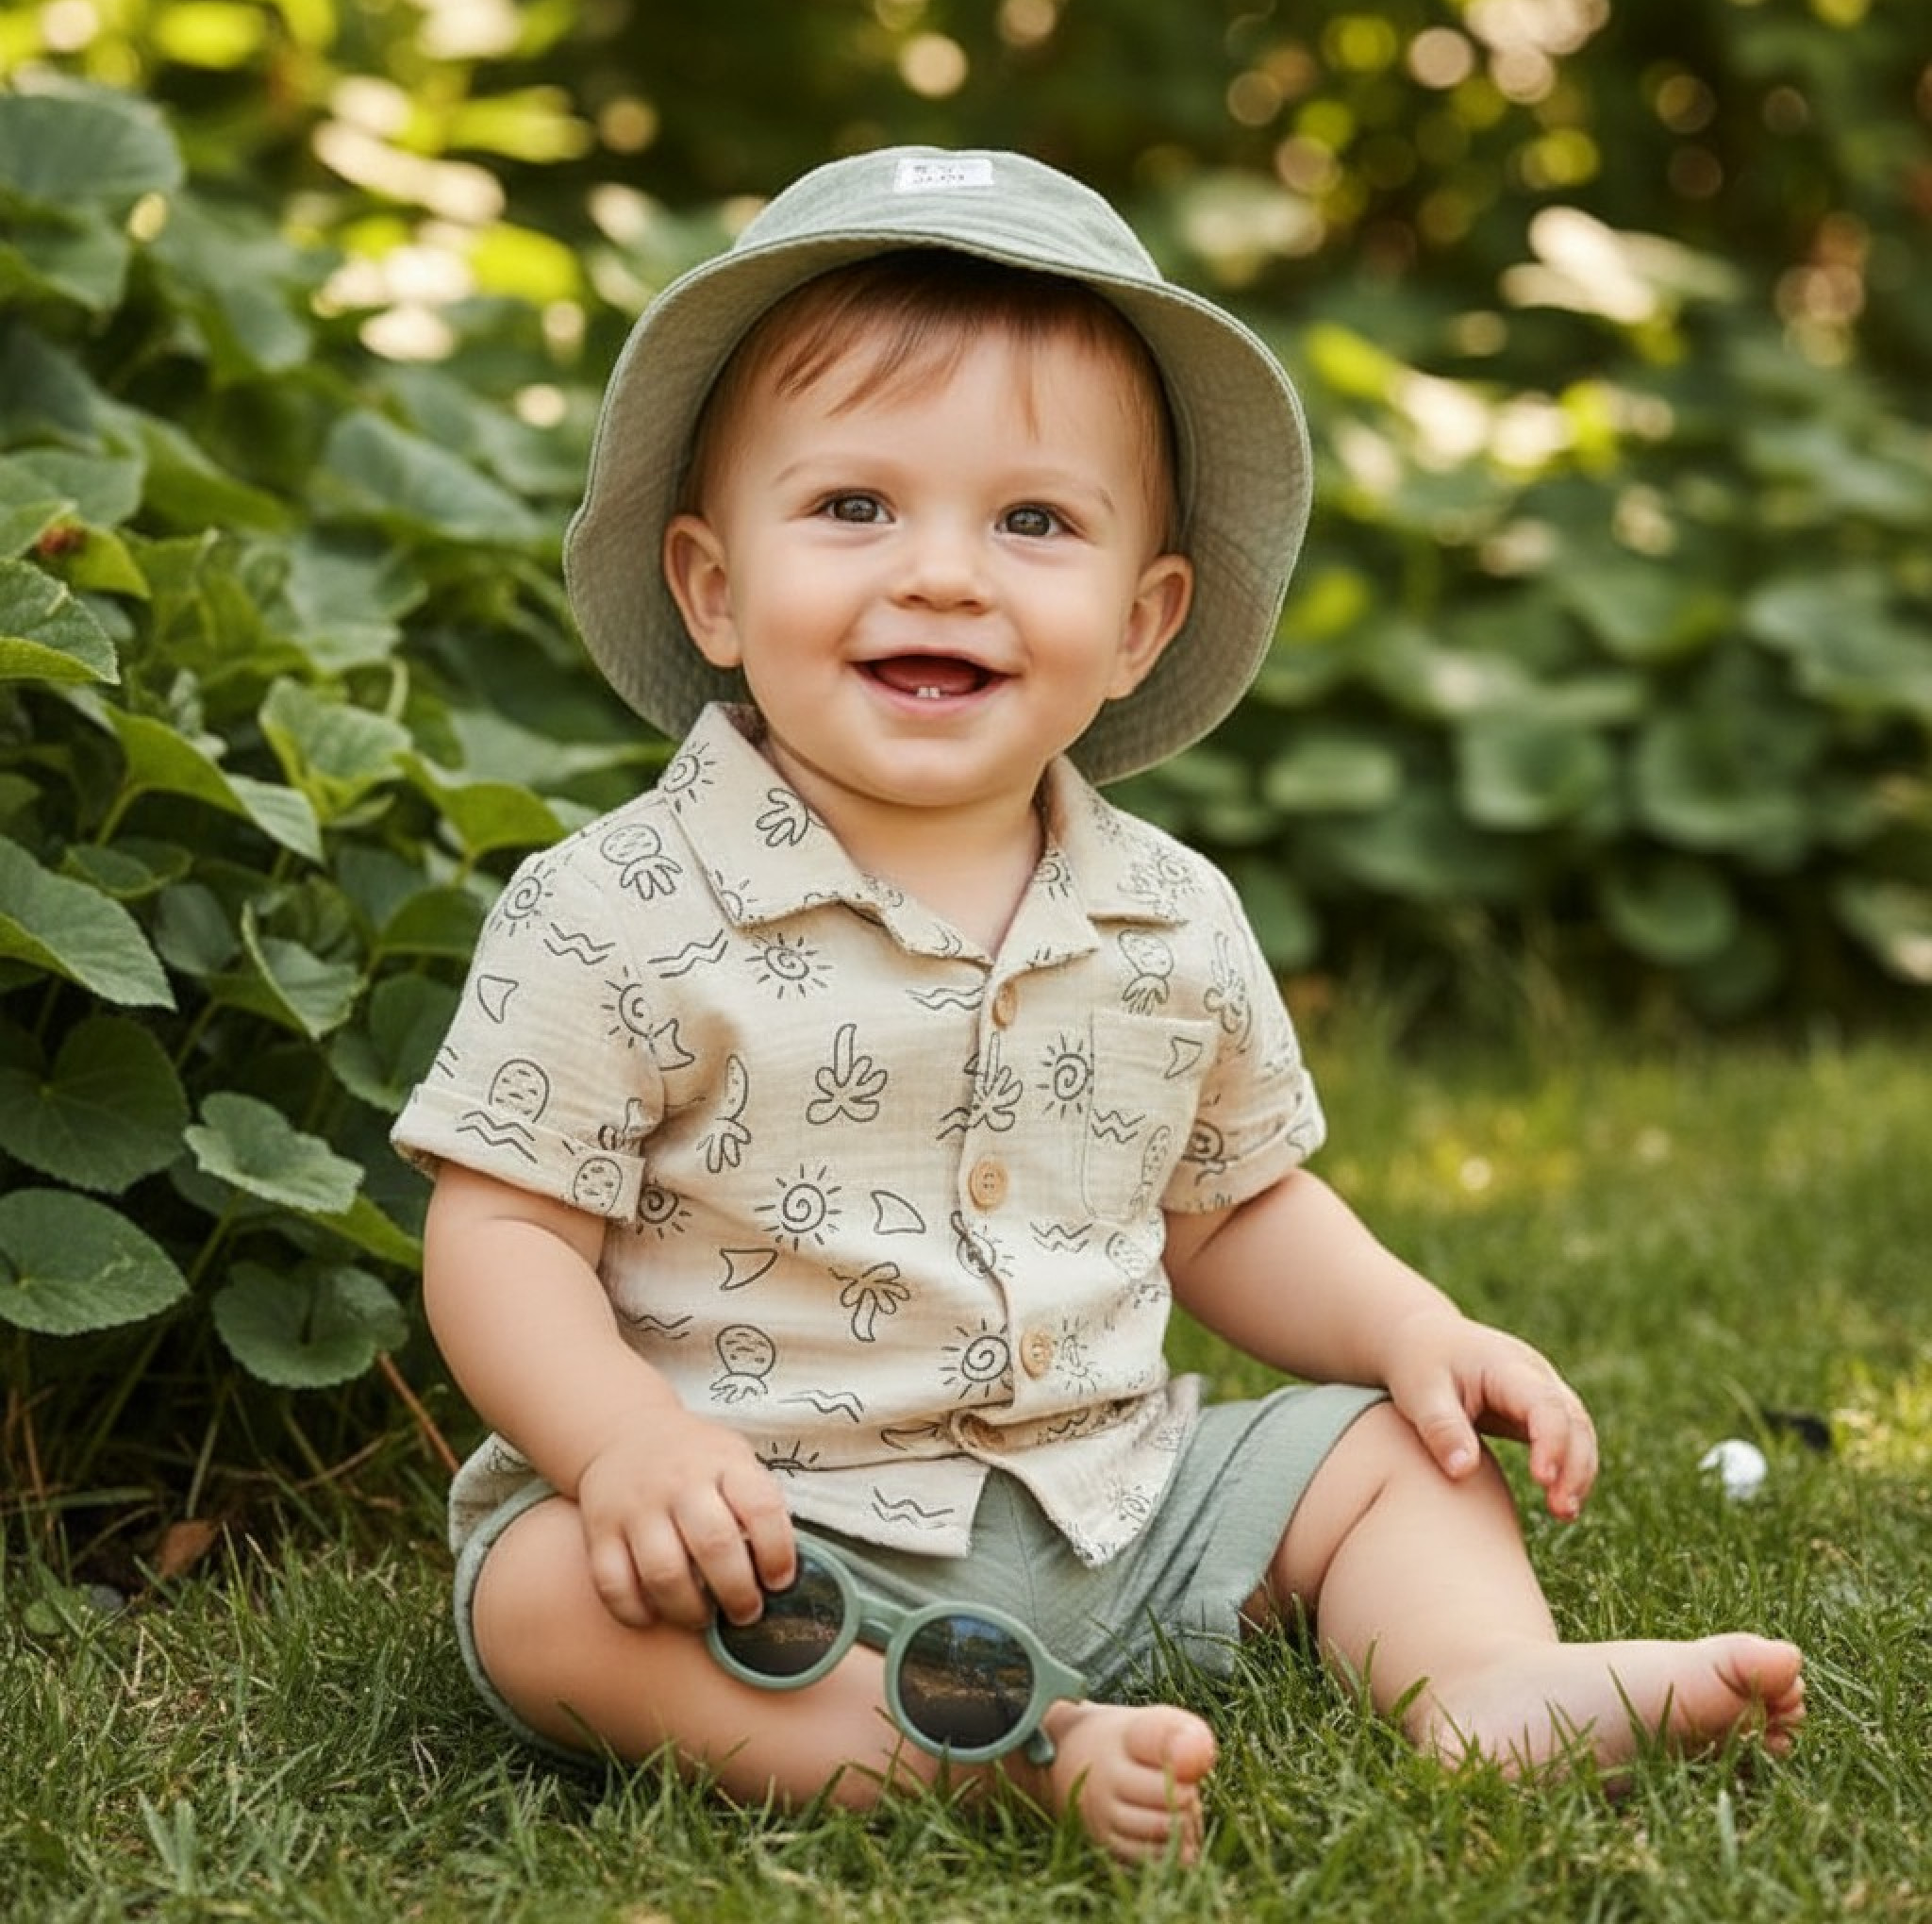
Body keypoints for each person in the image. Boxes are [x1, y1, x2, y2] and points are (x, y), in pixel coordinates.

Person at [393, 146, 1804, 1864]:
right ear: (713, 586)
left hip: (1116, 1502)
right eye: (854, 508)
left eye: (1033, 522)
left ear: (1140, 622)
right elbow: (503, 1230)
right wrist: (624, 1447)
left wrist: (1412, 1331)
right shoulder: (616, 905)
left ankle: (1487, 1683)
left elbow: (1235, 1207)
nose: (943, 575)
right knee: (547, 1596)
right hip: (760, 1536)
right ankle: (991, 1763)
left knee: (1388, 1455)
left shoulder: (1168, 912)